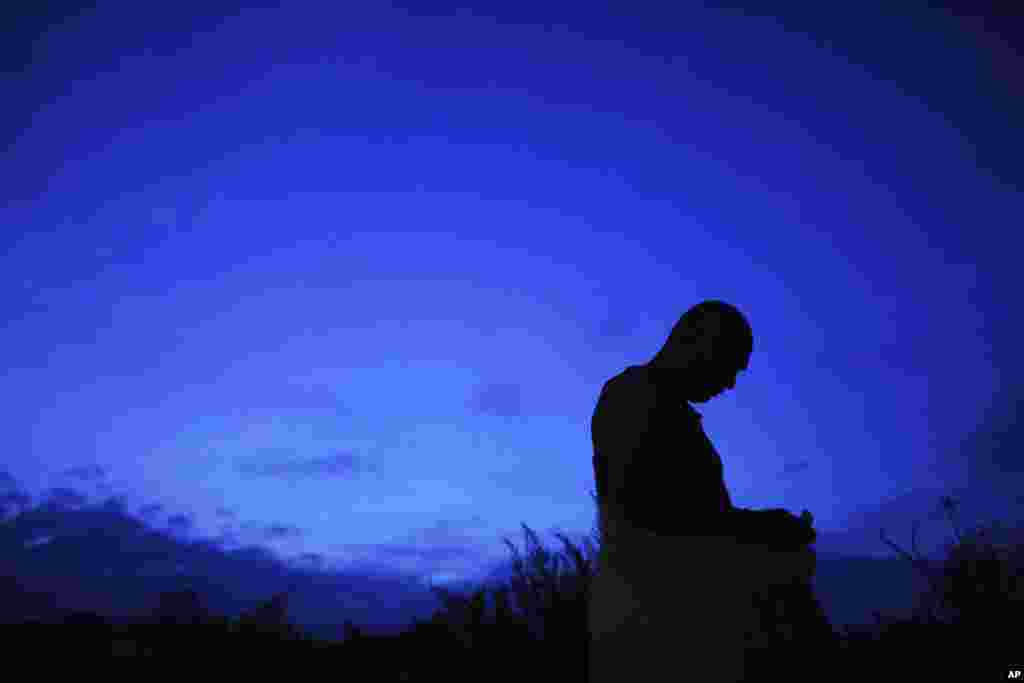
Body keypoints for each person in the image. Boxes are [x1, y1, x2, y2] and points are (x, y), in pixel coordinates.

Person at [587, 300, 822, 683]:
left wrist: (763, 527)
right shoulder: (631, 398)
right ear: (692, 339)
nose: (729, 383)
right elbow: (648, 517)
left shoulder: (665, 409)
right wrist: (759, 531)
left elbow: (691, 514)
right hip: (653, 622)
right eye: (729, 363)